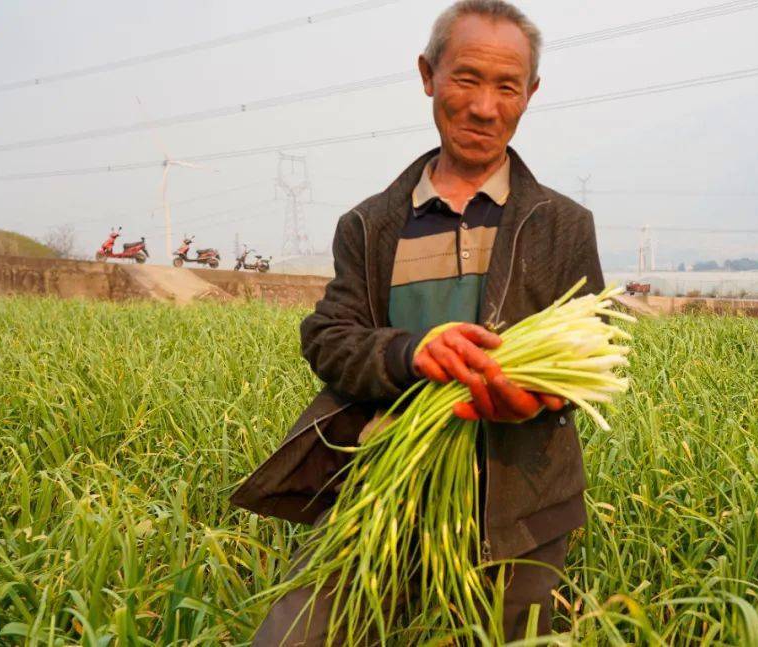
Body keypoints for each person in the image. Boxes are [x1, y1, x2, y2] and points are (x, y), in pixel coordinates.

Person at [230, 0, 604, 643]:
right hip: (380, 489)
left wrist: (533, 398)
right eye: (465, 78)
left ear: (529, 94)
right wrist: (411, 353)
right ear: (428, 74)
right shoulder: (370, 224)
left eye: (506, 86)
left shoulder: (562, 226)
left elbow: (592, 351)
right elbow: (329, 337)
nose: (484, 106)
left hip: (516, 510)